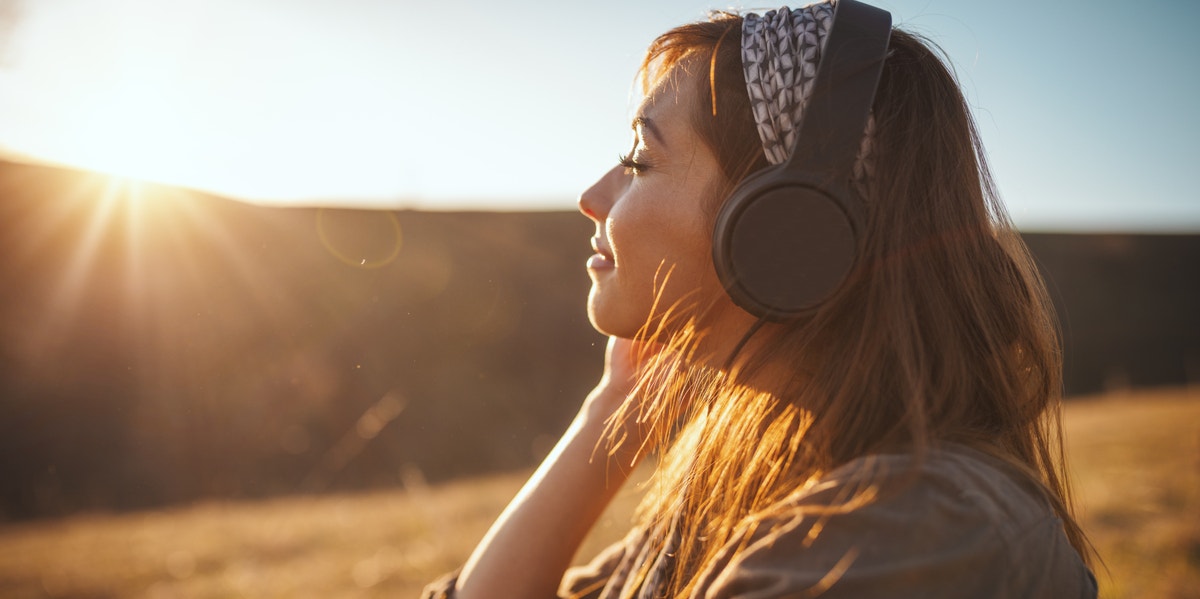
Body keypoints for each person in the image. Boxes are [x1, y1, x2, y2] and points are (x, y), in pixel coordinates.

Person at [425, 1, 1098, 597]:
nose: (593, 197)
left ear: (783, 228)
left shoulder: (906, 530)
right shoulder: (745, 489)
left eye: (639, 160)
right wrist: (613, 409)